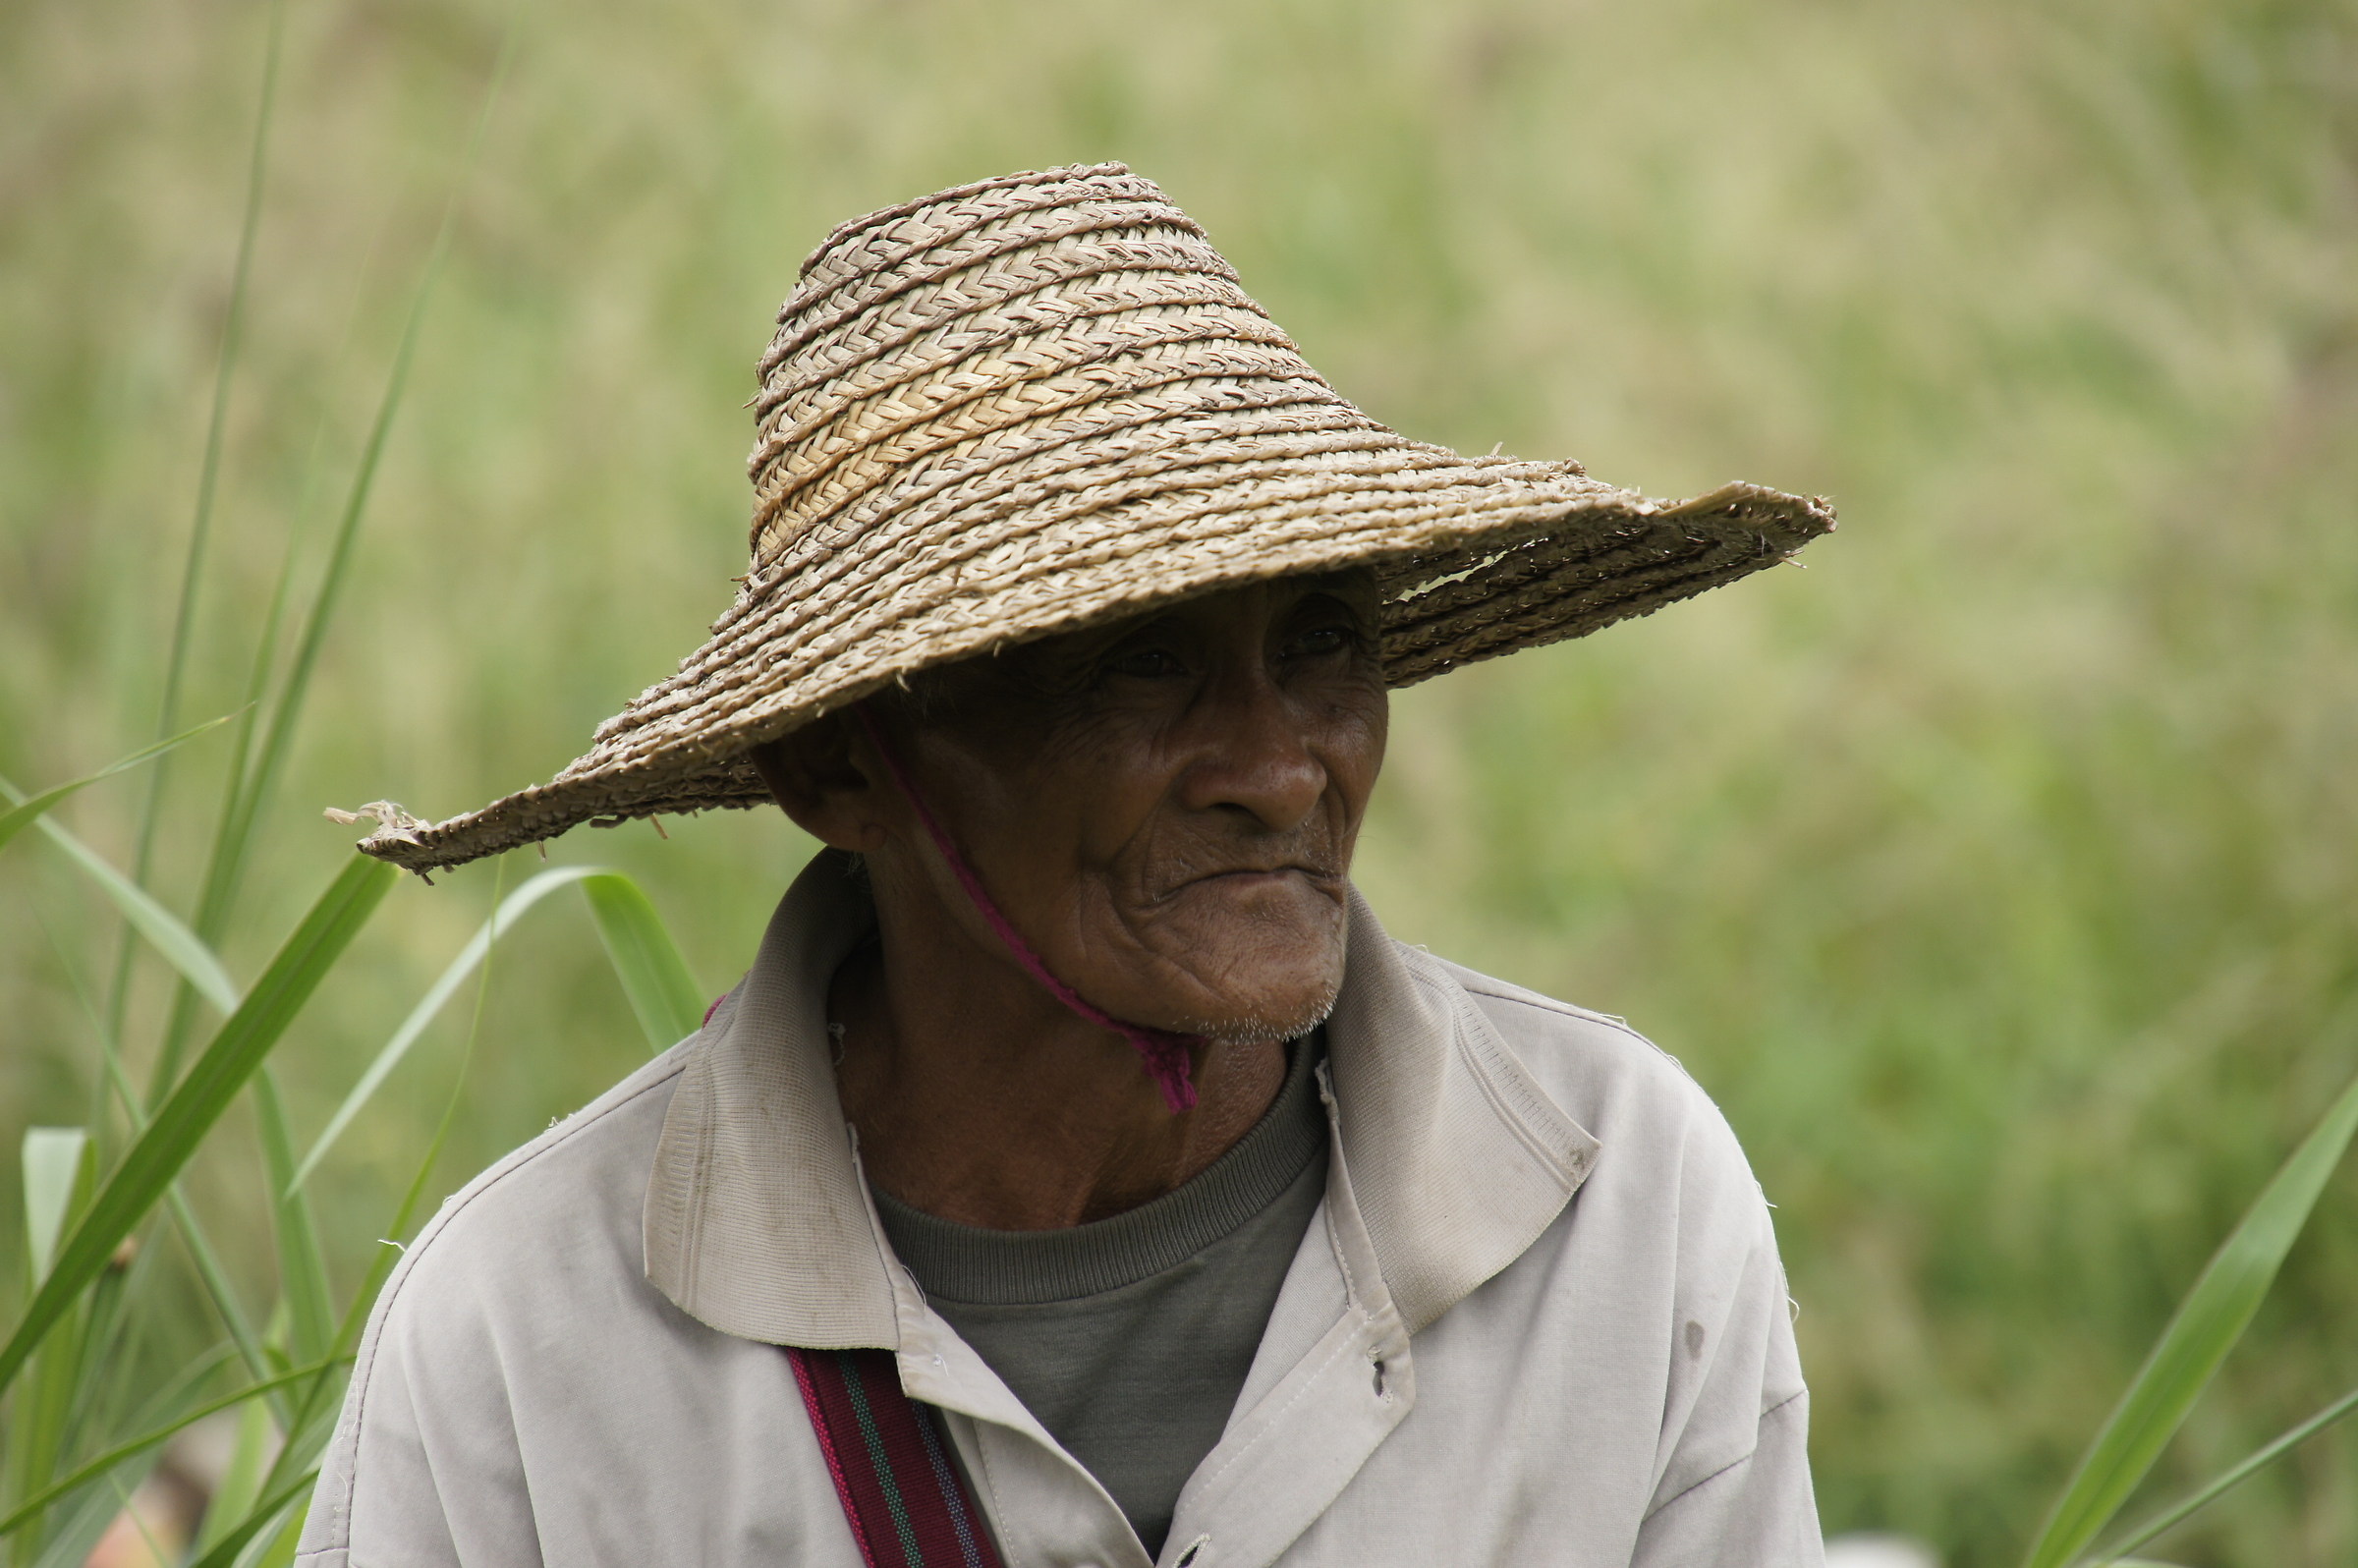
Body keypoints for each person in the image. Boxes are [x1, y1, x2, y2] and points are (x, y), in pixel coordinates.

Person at [303, 163, 1834, 1568]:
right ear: (842, 768)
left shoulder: (1619, 1214)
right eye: (1143, 665)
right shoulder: (525, 1344)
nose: (1286, 768)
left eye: (1322, 643)